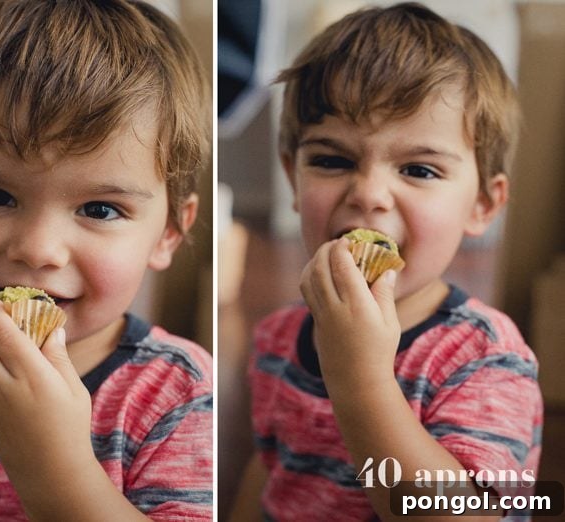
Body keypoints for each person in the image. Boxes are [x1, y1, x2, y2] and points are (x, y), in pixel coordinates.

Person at [0, 1, 212, 520]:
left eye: (99, 209)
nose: (36, 249)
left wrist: (54, 468)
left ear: (169, 232)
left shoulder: (180, 398)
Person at [229, 3, 542, 521]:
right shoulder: (276, 337)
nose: (369, 194)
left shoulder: (485, 360)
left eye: (419, 169)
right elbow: (271, 473)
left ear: (483, 204)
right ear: (293, 177)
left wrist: (361, 381)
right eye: (332, 160)